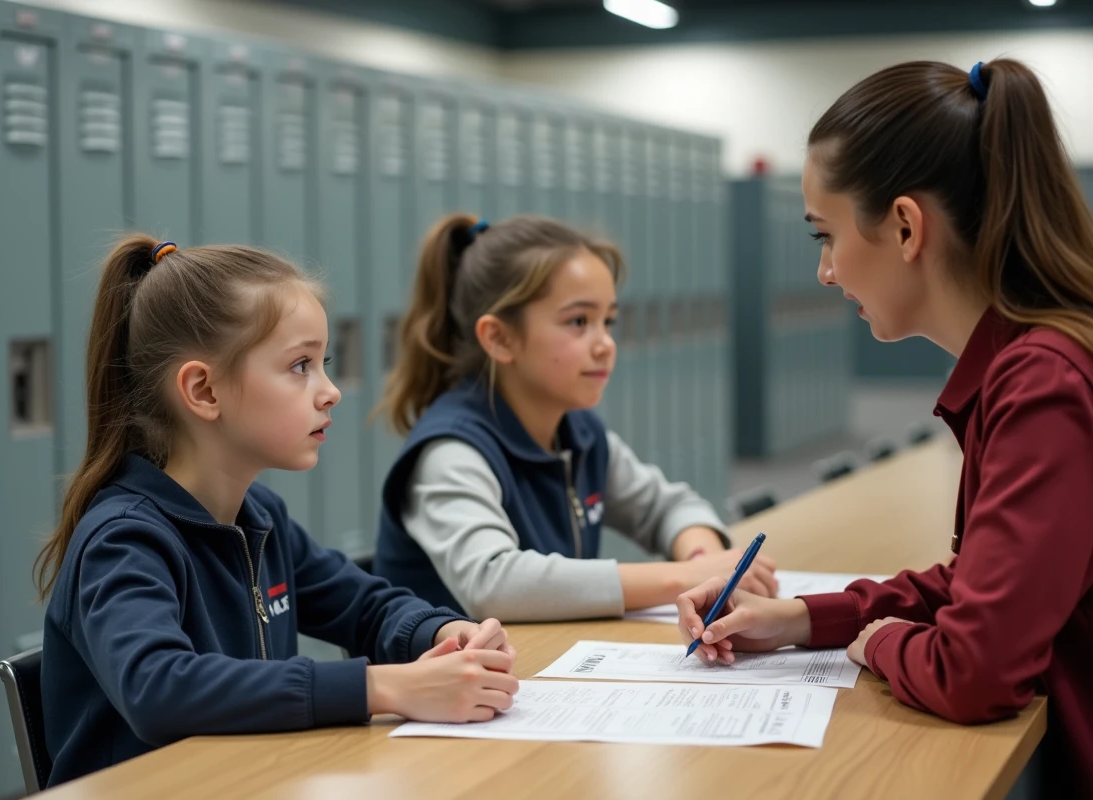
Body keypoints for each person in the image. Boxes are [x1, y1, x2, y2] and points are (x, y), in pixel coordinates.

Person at [676, 59, 1093, 796]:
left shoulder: (1043, 383)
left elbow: (976, 674)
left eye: (824, 237)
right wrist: (803, 619)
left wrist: (880, 643)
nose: (826, 273)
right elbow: (979, 587)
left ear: (905, 227)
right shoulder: (1029, 365)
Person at [36, 236, 517, 786]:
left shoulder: (257, 516)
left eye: (324, 362)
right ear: (203, 390)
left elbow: (364, 606)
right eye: (300, 366)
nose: (330, 391)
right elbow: (159, 687)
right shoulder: (123, 541)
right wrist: (383, 687)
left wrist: (446, 634)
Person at [374, 214, 778, 622]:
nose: (605, 344)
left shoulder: (578, 432)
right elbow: (495, 583)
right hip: (448, 680)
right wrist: (682, 577)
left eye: (609, 321)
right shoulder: (450, 453)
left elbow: (664, 507)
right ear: (499, 338)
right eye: (579, 322)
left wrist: (704, 562)